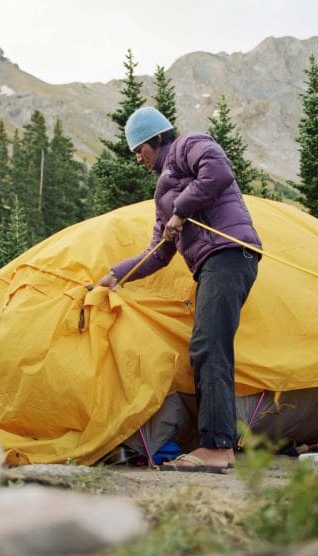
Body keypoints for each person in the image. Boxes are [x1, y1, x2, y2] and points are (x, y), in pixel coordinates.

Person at [97, 107, 262, 472]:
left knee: (209, 345)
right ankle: (217, 445)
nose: (138, 158)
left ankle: (218, 448)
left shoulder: (189, 144)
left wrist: (181, 211)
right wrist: (117, 274)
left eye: (140, 149)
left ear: (158, 138)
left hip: (230, 253)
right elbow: (159, 252)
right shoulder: (162, 191)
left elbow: (218, 171)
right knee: (206, 345)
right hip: (212, 264)